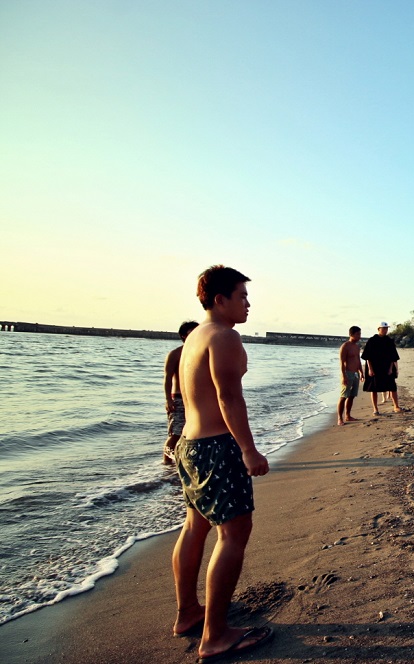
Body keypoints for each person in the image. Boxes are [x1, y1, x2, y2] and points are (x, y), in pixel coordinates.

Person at [171, 265, 273, 661]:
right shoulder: (226, 336)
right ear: (220, 299)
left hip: (189, 445)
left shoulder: (195, 336)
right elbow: (230, 399)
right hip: (215, 447)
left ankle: (188, 613)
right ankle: (214, 635)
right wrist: (248, 450)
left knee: (194, 526)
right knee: (233, 534)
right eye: (242, 296)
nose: (248, 303)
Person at [163, 320, 199, 464]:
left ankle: (184, 462)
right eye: (192, 332)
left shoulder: (200, 353)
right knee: (175, 433)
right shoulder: (175, 354)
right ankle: (166, 465)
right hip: (178, 397)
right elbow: (167, 379)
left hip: (194, 398)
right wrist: (168, 400)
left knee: (193, 431)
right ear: (184, 336)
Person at [362, 322, 402, 414]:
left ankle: (396, 406)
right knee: (374, 388)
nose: (385, 330)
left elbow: (393, 356)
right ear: (378, 329)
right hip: (374, 367)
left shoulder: (389, 341)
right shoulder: (372, 340)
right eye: (383, 328)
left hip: (387, 367)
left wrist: (391, 368)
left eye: (386, 329)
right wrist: (370, 369)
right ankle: (375, 409)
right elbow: (367, 356)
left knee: (392, 387)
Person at [338, 326, 363, 425]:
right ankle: (340, 418)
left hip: (355, 373)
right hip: (347, 373)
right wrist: (344, 376)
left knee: (352, 396)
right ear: (351, 334)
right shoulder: (345, 346)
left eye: (360, 334)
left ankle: (348, 415)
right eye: (357, 334)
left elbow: (358, 360)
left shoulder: (357, 347)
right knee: (344, 396)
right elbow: (341, 362)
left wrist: (361, 372)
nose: (359, 336)